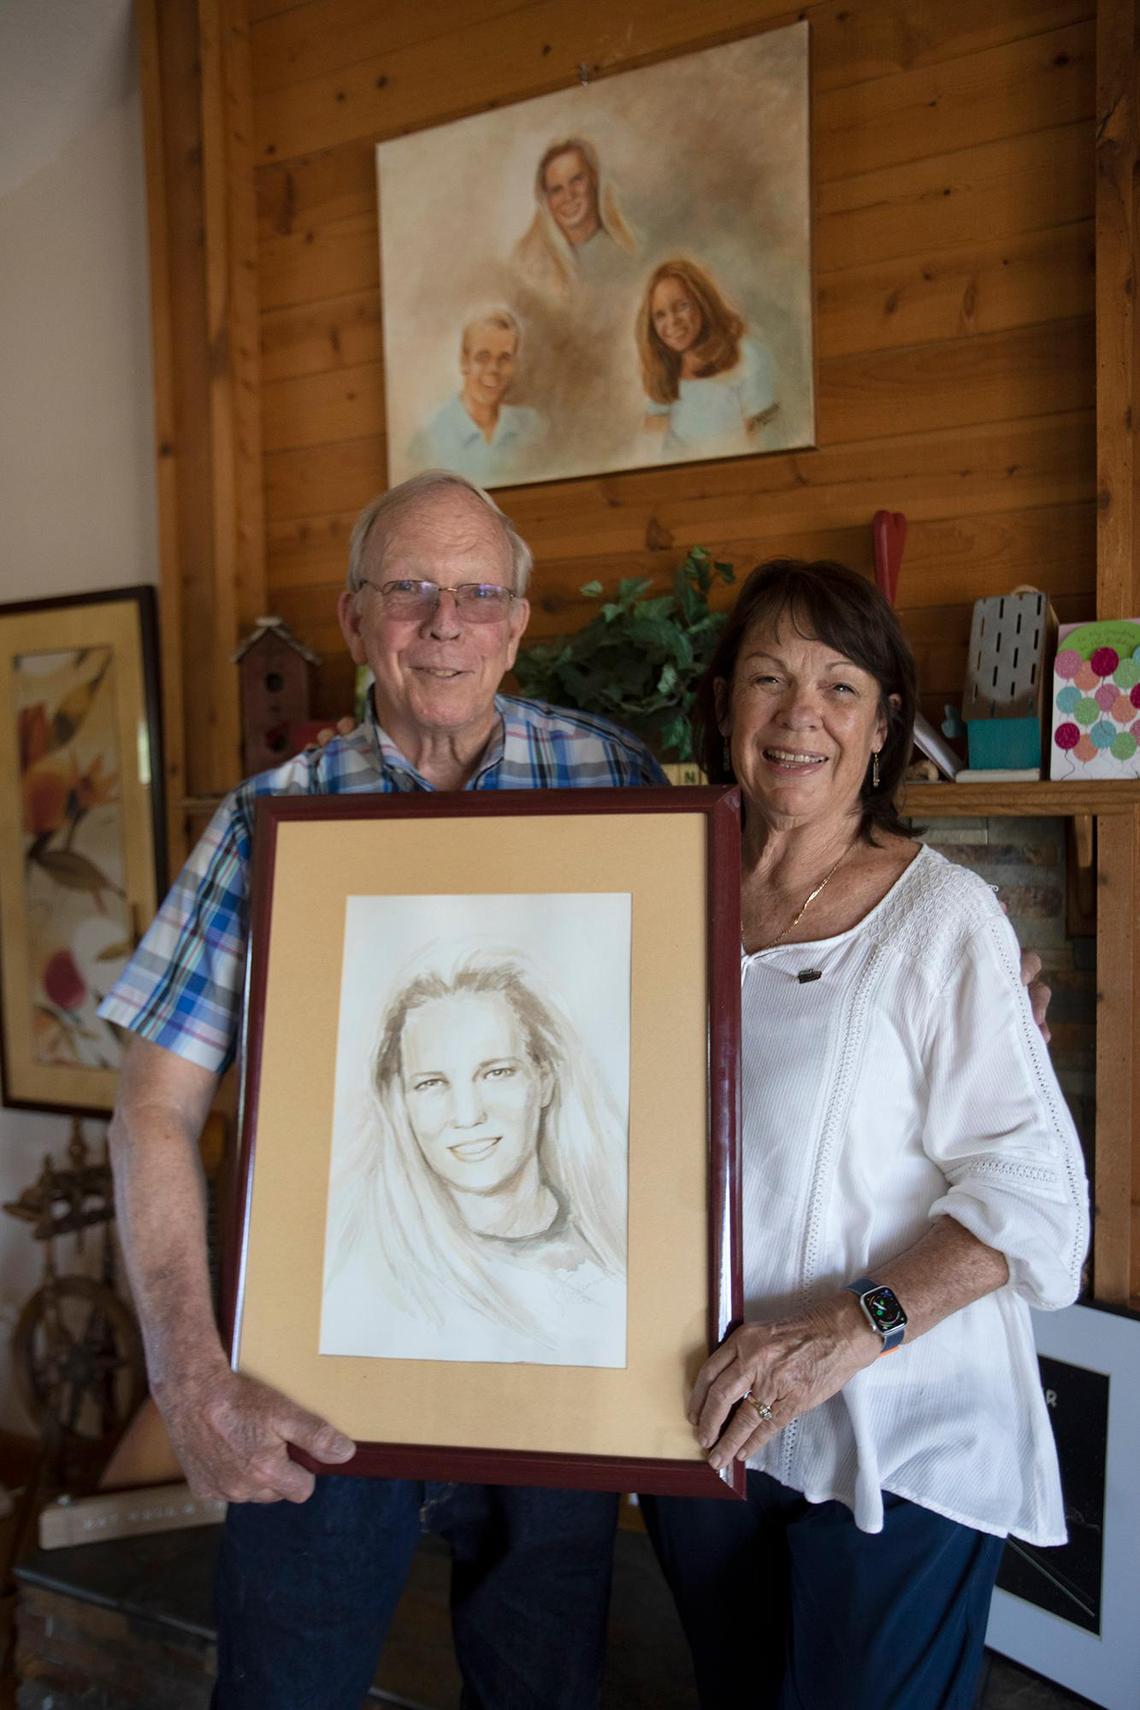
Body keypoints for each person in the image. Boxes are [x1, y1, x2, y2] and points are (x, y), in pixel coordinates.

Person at [98, 468, 665, 1710]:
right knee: (284, 1690)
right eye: (409, 589)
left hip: (557, 1373)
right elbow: (152, 1108)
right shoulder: (267, 823)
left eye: (475, 593)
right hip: (319, 1382)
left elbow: (706, 1040)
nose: (444, 622)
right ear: (355, 623)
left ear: (518, 624)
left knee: (543, 1689)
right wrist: (190, 1377)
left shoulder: (619, 781)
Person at [639, 559, 1089, 1710]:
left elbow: (1037, 1197)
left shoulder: (945, 919)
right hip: (713, 1422)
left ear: (886, 727)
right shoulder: (663, 893)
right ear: (723, 708)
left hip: (900, 1434)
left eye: (842, 688)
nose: (801, 715)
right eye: (768, 678)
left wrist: (855, 1327)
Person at [321, 948, 628, 1366]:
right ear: (400, 1101)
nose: (467, 1115)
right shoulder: (363, 1281)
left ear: (544, 1080)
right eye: (431, 1083)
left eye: (497, 1073)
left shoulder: (619, 1256)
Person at [637, 258, 779, 460]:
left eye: (682, 306)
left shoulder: (749, 355)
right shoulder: (666, 370)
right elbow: (647, 447)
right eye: (660, 315)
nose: (672, 322)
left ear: (703, 302)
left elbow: (764, 438)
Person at [409, 308, 543, 487]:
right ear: (464, 362)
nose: (493, 369)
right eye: (483, 357)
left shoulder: (532, 427)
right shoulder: (429, 439)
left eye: (504, 358)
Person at [513, 137, 639, 300]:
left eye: (577, 180)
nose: (569, 195)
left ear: (594, 180)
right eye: (556, 190)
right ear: (546, 200)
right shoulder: (529, 267)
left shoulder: (624, 254)